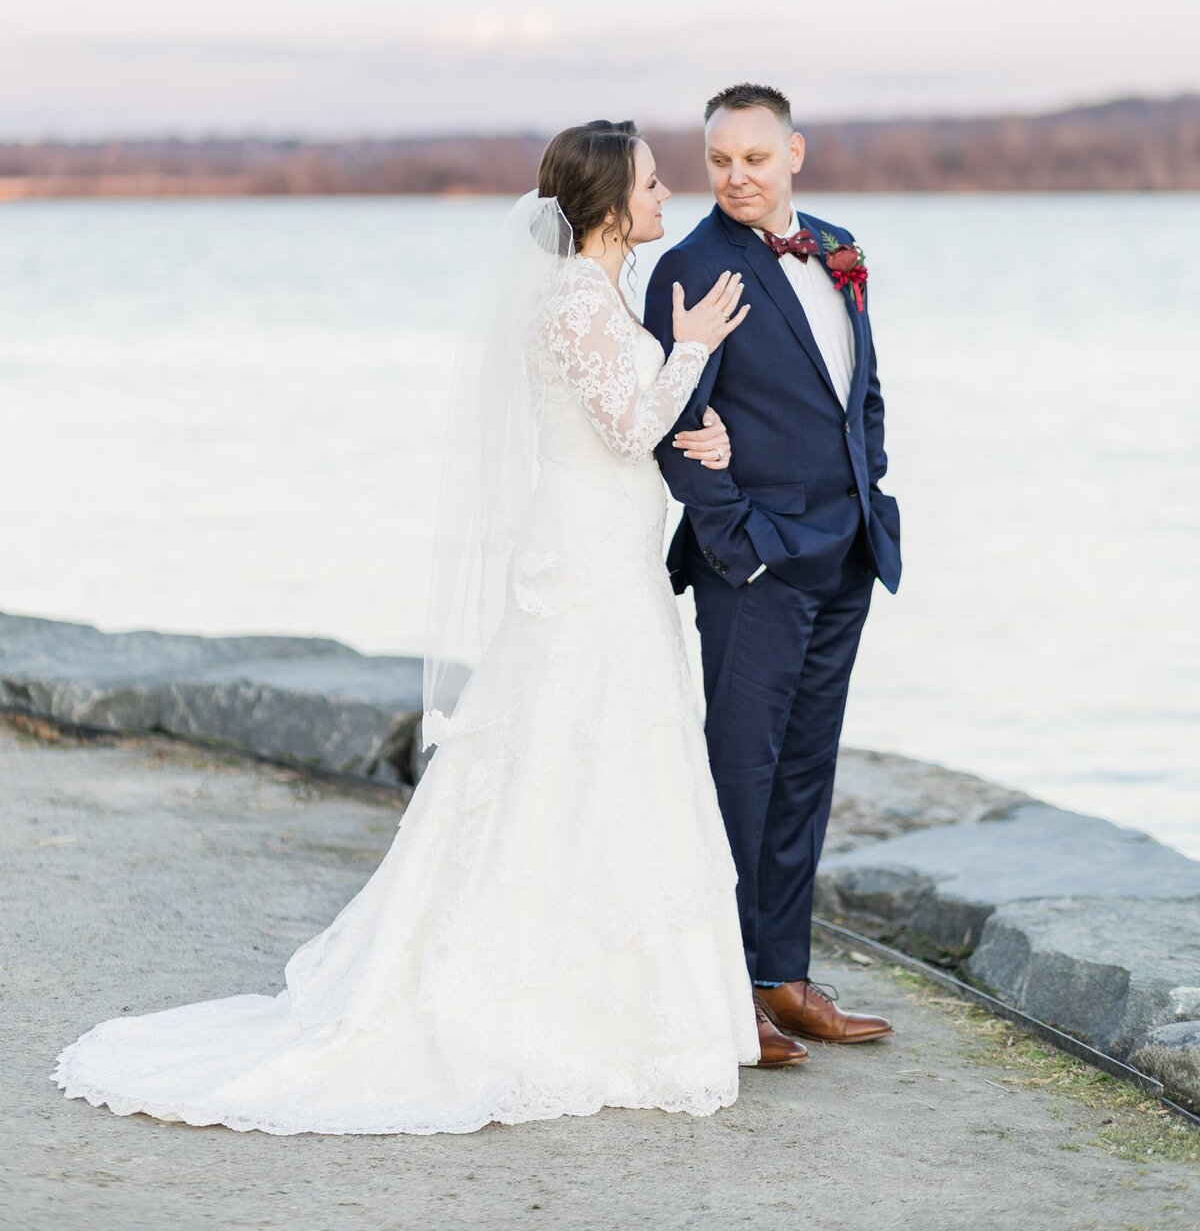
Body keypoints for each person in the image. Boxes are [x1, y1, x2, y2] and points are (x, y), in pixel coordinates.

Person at [53, 119, 807, 1140]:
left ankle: (644, 995)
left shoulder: (596, 297)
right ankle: (556, 994)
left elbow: (632, 426)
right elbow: (630, 426)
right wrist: (692, 352)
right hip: (583, 566)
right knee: (567, 754)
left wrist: (697, 421)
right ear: (606, 207)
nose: (669, 195)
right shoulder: (575, 304)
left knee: (611, 762)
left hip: (611, 552)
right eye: (652, 182)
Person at [646, 84, 902, 1048]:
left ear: (793, 152)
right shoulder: (689, 267)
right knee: (739, 774)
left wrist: (869, 486)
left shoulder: (839, 247)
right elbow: (674, 421)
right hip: (753, 566)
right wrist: (736, 541)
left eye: (755, 158)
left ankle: (783, 976)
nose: (736, 177)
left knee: (806, 771)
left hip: (847, 551)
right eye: (719, 161)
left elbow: (859, 390)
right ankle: (724, 995)